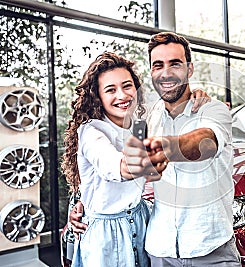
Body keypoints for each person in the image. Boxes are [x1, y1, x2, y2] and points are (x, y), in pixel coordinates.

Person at [62, 51, 209, 267]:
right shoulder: (91, 131)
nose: (122, 96)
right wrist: (147, 161)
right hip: (105, 234)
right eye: (110, 90)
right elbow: (113, 167)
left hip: (141, 220)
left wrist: (196, 97)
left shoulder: (139, 124)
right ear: (97, 96)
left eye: (127, 86)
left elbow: (174, 112)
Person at [123, 31, 241, 266]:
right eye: (158, 65)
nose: (166, 73)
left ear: (189, 69)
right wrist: (83, 203)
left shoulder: (213, 109)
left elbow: (207, 142)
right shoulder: (146, 117)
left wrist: (166, 147)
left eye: (175, 64)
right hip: (160, 249)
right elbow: (120, 167)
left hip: (211, 249)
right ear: (152, 72)